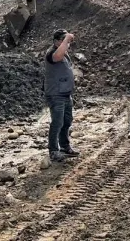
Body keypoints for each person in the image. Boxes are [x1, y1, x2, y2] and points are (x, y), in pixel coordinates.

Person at [44, 28, 80, 162]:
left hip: (65, 94)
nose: (68, 43)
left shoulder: (64, 53)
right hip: (55, 94)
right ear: (57, 41)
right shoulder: (52, 52)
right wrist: (66, 39)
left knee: (66, 121)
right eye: (64, 40)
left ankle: (64, 146)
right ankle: (53, 150)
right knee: (57, 122)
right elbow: (57, 57)